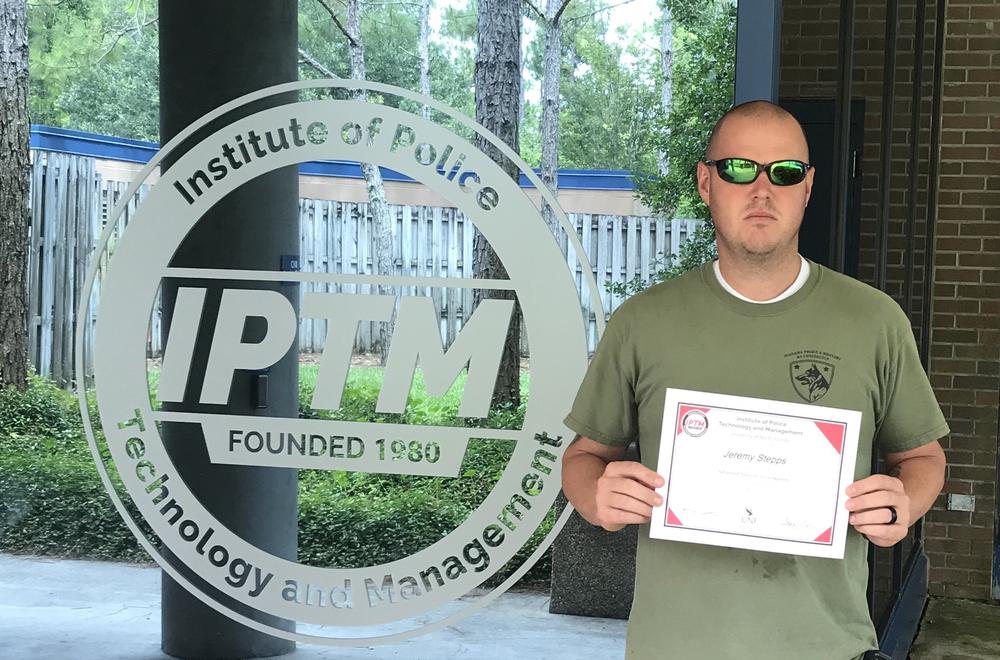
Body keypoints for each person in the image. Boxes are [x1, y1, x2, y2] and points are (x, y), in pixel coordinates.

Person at [561, 100, 948, 660]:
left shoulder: (874, 321)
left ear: (808, 187)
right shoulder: (643, 323)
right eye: (738, 168)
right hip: (673, 646)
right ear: (705, 182)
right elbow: (583, 456)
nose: (761, 190)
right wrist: (596, 497)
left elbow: (925, 458)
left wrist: (902, 505)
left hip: (825, 646)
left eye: (784, 173)